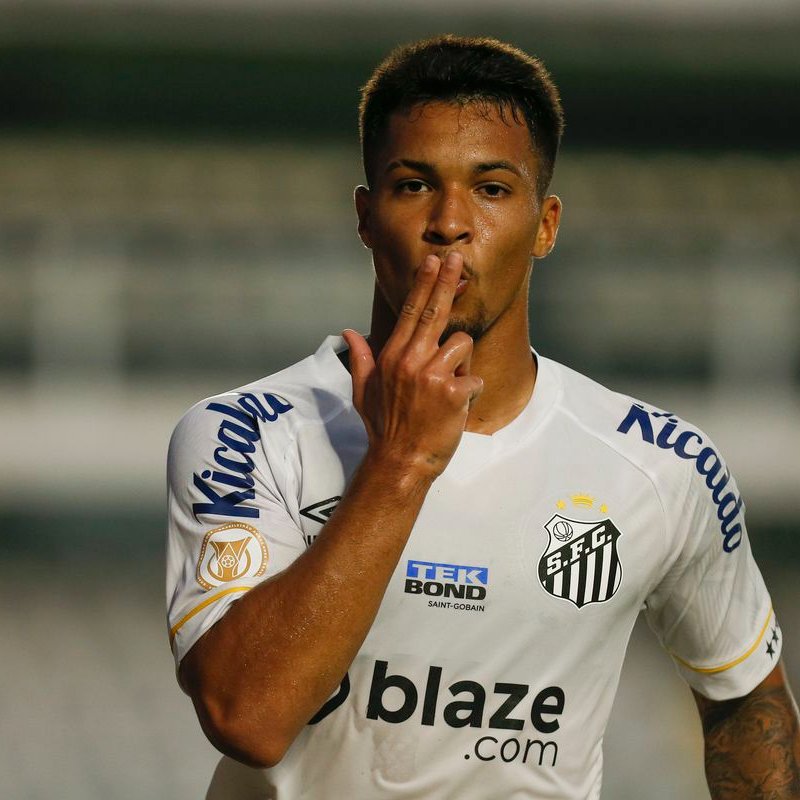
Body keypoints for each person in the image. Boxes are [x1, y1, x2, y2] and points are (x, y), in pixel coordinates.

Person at [166, 35, 800, 799]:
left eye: (492, 189)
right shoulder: (246, 433)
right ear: (365, 217)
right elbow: (246, 718)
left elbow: (746, 698)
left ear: (546, 224)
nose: (450, 222)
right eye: (412, 186)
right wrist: (399, 463)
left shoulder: (662, 463)